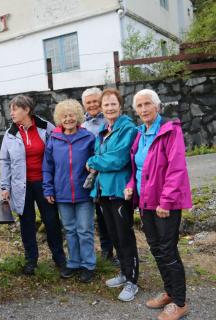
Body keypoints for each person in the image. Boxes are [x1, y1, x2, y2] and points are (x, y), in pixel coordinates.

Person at [125, 89, 192, 320]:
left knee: (168, 250)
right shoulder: (140, 133)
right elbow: (137, 167)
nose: (143, 109)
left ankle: (180, 302)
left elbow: (176, 169)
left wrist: (166, 201)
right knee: (156, 249)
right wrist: (130, 185)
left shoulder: (170, 131)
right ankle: (170, 292)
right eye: (139, 106)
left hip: (165, 203)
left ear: (157, 106)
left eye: (147, 104)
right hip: (145, 202)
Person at [0, 94, 66, 276]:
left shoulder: (47, 128)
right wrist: (5, 186)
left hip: (44, 183)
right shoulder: (10, 134)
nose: (11, 113)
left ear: (26, 110)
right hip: (21, 185)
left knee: (52, 221)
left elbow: (58, 153)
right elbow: (4, 161)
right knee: (26, 223)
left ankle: (60, 260)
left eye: (14, 108)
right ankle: (31, 260)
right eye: (10, 109)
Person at [86, 88, 139, 302]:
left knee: (125, 237)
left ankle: (133, 281)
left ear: (120, 105)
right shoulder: (105, 130)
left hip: (119, 191)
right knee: (115, 236)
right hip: (103, 190)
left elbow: (118, 159)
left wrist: (92, 162)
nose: (109, 107)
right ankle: (124, 272)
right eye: (105, 104)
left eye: (112, 103)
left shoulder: (128, 128)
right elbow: (102, 155)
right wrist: (98, 159)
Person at [43, 99, 96, 282]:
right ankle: (73, 263)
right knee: (70, 230)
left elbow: (95, 161)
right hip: (62, 193)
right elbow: (48, 167)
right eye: (64, 116)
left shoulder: (88, 137)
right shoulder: (54, 139)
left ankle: (89, 265)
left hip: (84, 193)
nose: (68, 119)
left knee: (85, 230)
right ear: (59, 119)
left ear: (78, 116)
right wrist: (48, 189)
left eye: (72, 115)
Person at [81, 87, 117, 264]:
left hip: (111, 175)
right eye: (89, 102)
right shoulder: (82, 126)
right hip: (92, 178)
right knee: (100, 216)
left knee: (113, 216)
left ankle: (120, 251)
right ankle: (106, 252)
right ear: (84, 105)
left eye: (96, 101)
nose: (93, 105)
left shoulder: (110, 121)